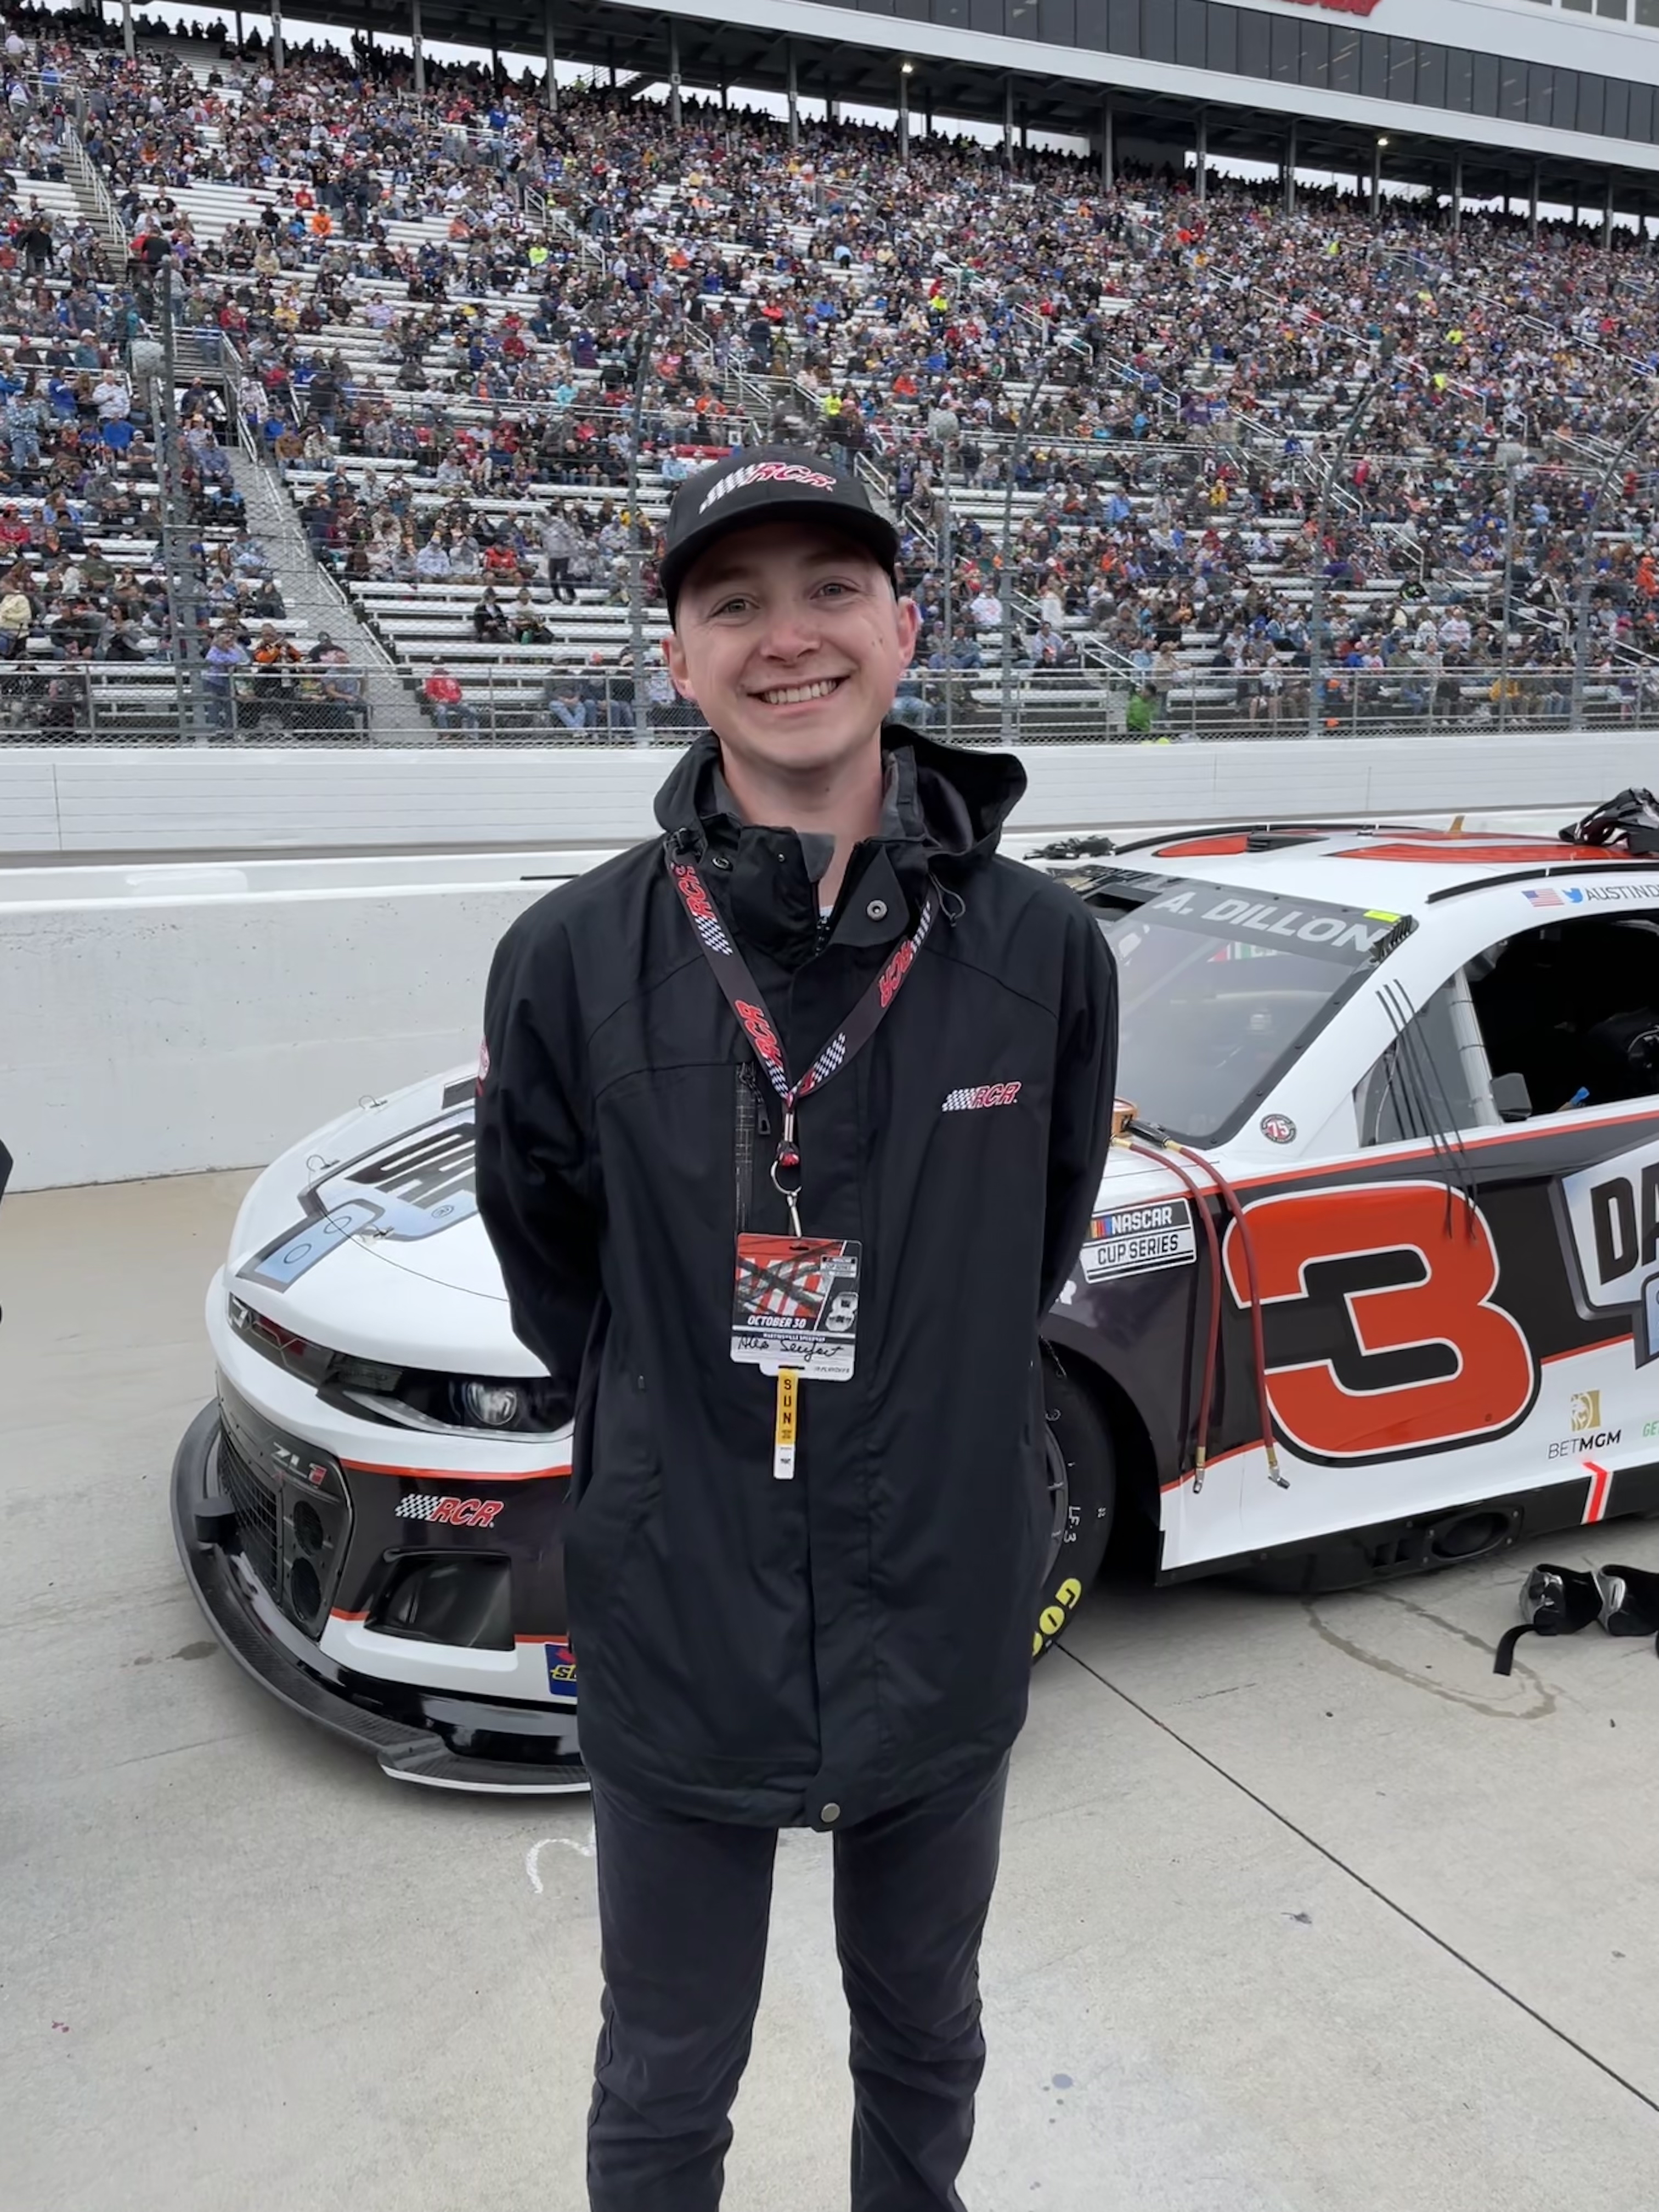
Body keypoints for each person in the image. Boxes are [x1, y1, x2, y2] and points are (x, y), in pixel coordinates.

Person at [475, 447, 1117, 2212]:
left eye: (831, 590)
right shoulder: (568, 957)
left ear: (905, 630)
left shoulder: (1046, 950)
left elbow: (1033, 1246)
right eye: (732, 603)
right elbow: (557, 1272)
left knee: (926, 2036)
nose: (788, 639)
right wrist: (680, 1443)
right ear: (675, 658)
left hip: (941, 1594)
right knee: (667, 2077)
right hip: (683, 1609)